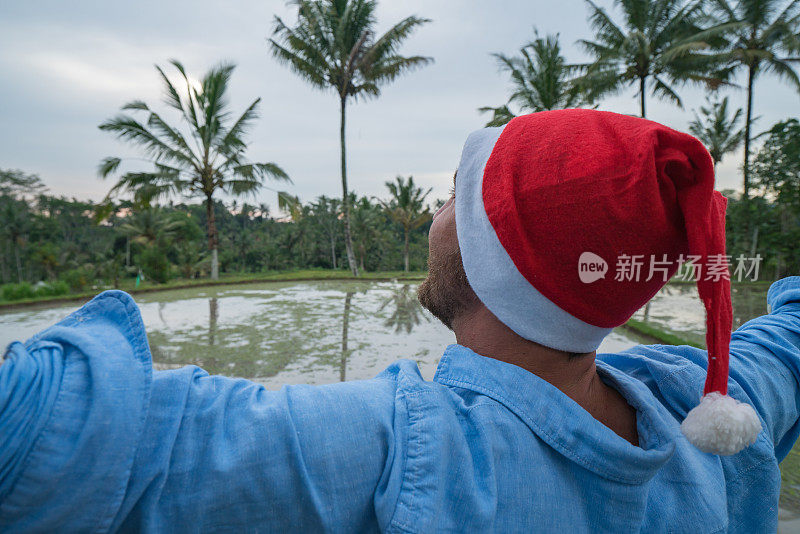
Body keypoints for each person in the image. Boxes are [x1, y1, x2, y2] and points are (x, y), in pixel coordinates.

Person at [1, 109, 798, 533]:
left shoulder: (401, 449)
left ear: (499, 262)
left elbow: (51, 438)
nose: (435, 212)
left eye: (457, 193)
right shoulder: (709, 409)